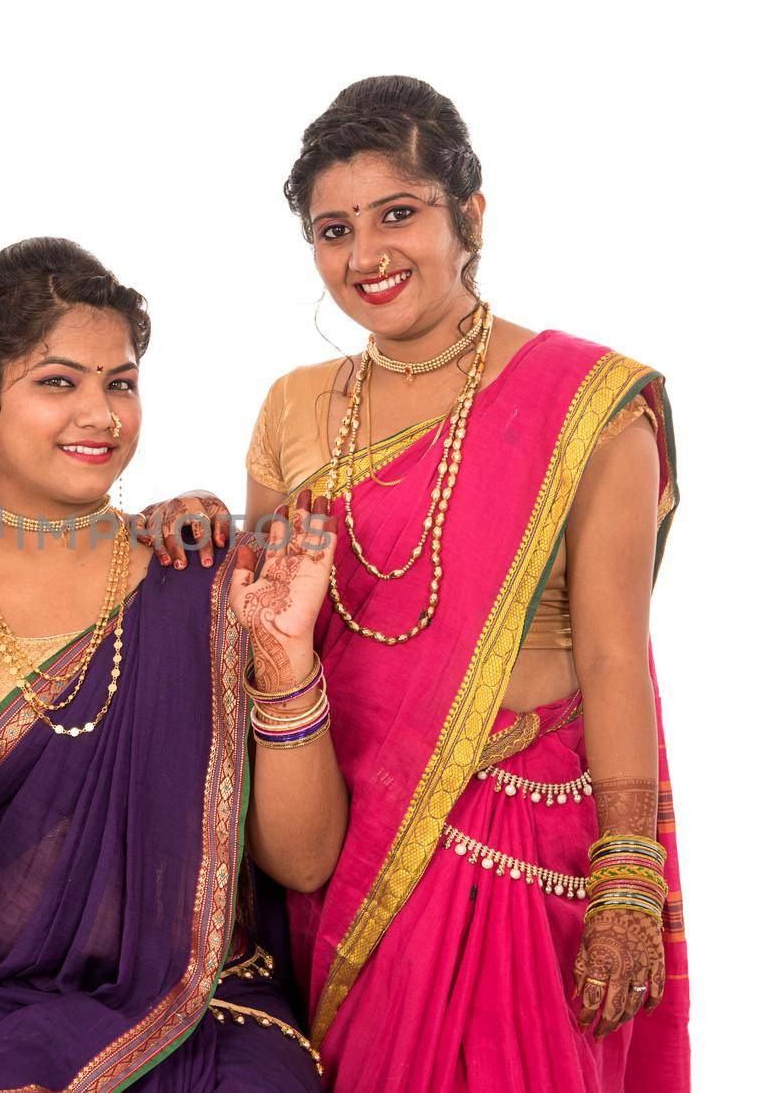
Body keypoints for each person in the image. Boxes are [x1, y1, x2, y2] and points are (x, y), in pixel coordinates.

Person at [245, 76, 689, 1091]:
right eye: (332, 229)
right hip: (336, 834)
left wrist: (628, 879)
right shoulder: (292, 408)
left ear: (469, 216)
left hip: (517, 843)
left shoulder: (589, 407)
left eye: (397, 213)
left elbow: (617, 652)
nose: (365, 257)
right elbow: (265, 634)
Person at [0, 238, 348, 1090]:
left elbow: (302, 861)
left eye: (121, 382)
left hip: (201, 1007)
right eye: (58, 381)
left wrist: (286, 659)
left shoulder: (205, 578)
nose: (101, 414)